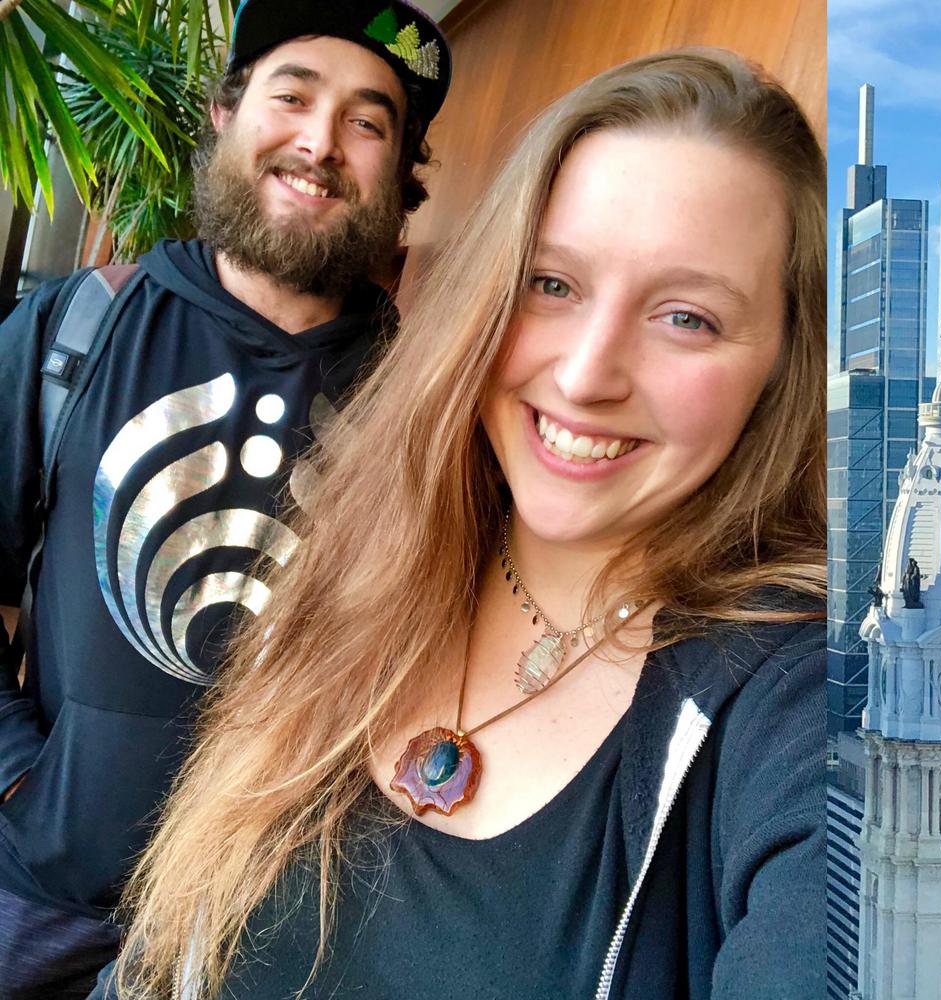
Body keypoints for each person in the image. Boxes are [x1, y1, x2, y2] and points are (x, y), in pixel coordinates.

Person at [99, 48, 826, 1000]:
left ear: (785, 365)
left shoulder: (803, 704)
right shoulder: (366, 556)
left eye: (686, 317)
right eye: (551, 284)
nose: (586, 376)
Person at [0, 1, 451, 995]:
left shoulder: (429, 400)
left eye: (367, 122)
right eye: (293, 97)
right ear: (225, 111)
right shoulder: (77, 329)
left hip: (267, 933)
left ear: (402, 171)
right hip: (38, 896)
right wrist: (19, 780)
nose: (320, 143)